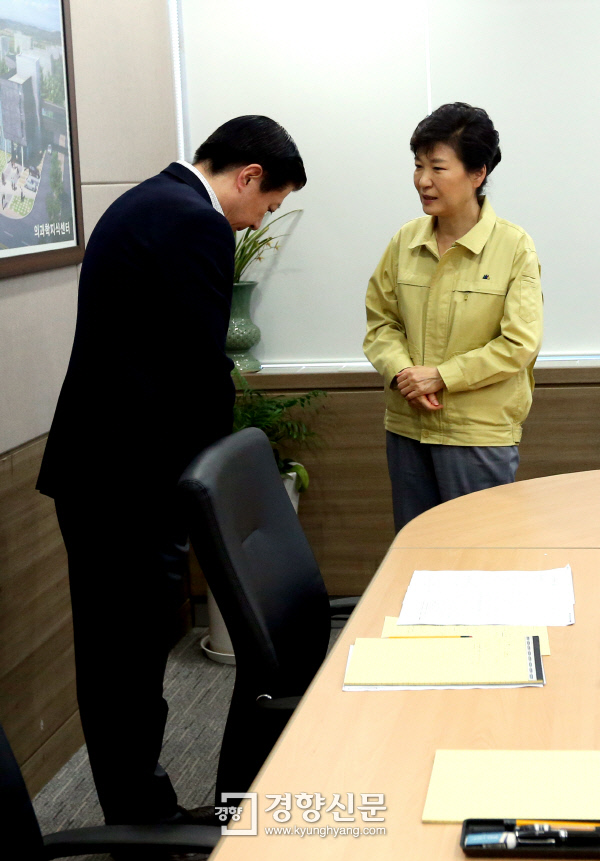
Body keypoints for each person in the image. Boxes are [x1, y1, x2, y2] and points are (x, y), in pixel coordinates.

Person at [37, 116, 306, 838]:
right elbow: (199, 371)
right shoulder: (195, 222)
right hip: (128, 484)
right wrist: (220, 489)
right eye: (269, 203)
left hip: (100, 472)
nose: (259, 220)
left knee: (116, 659)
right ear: (249, 176)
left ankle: (138, 813)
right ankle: (143, 825)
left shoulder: (144, 201)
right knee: (127, 665)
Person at [364, 102, 543, 533]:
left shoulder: (513, 247)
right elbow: (381, 322)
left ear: (478, 173)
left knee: (481, 556)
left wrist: (442, 376)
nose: (423, 180)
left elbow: (518, 343)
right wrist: (404, 372)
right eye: (418, 165)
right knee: (416, 552)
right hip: (407, 427)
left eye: (438, 168)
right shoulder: (405, 241)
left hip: (477, 434)